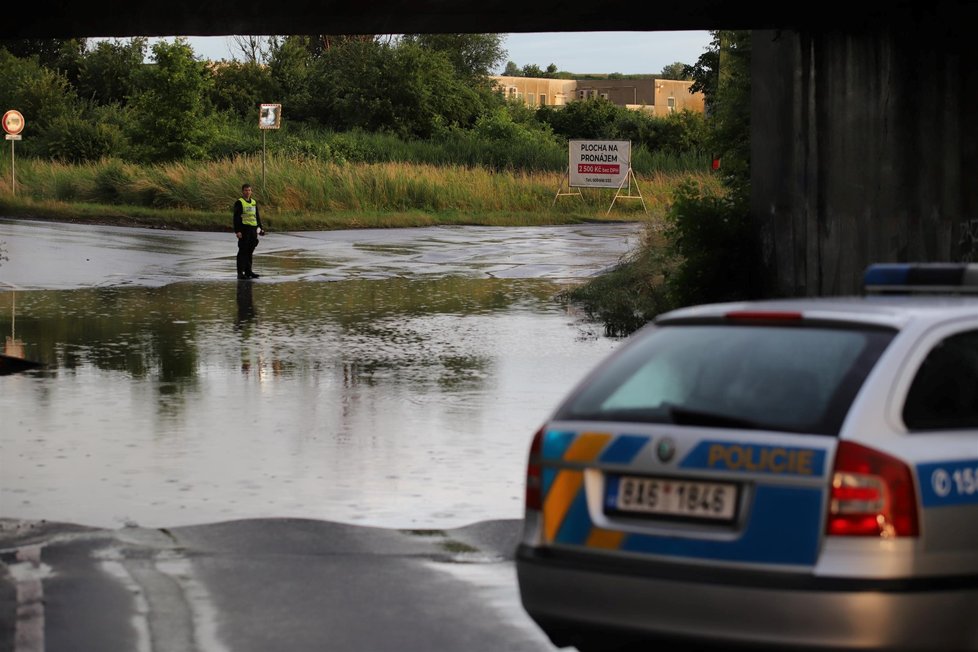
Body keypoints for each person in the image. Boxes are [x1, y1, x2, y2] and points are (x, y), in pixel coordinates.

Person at [232, 183, 266, 279]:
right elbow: (236, 218)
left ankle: (248, 271)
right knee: (242, 251)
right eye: (246, 190)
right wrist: (237, 231)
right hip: (244, 229)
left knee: (250, 251)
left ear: (251, 191)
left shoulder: (254, 202)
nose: (248, 192)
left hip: (253, 230)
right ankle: (240, 273)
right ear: (242, 191)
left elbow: (256, 216)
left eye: (249, 190)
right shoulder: (239, 202)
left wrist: (260, 228)